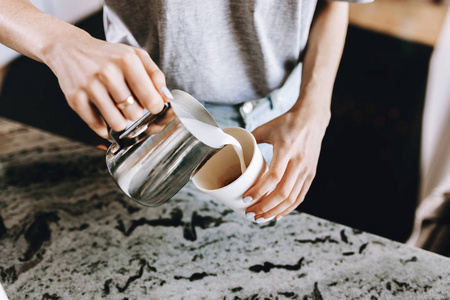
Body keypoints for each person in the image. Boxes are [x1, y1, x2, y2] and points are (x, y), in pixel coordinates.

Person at [0, 0, 371, 223]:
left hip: (287, 108)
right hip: (146, 109)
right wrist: (60, 42)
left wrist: (315, 108)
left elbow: (334, 2)